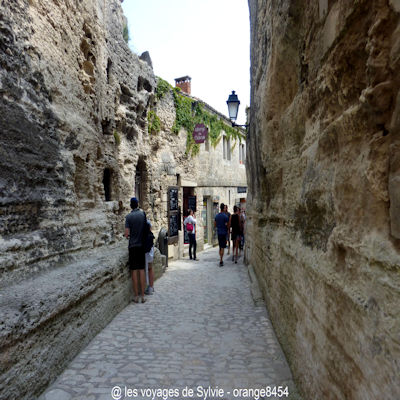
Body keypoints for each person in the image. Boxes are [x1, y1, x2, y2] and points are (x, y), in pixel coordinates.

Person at [124, 197, 147, 304]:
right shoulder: (143, 214)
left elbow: (127, 234)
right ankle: (143, 296)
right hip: (141, 245)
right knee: (141, 270)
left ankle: (136, 296)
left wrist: (127, 235)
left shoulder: (128, 217)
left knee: (134, 271)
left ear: (130, 205)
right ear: (138, 204)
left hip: (132, 246)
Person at [144, 220, 155, 295]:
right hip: (150, 249)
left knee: (145, 269)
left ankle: (147, 287)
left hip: (145, 250)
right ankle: (151, 287)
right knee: (150, 268)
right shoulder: (148, 222)